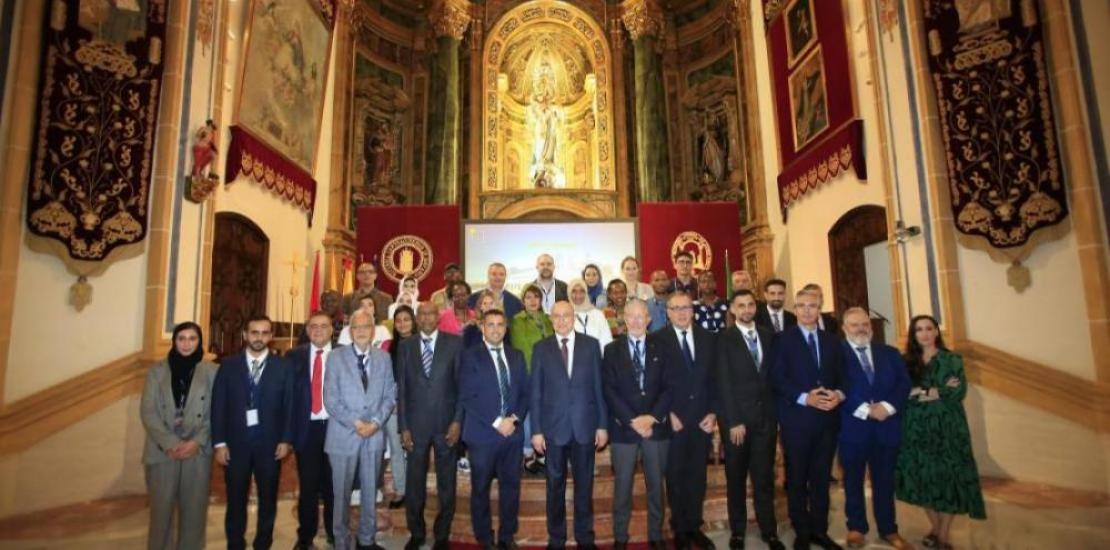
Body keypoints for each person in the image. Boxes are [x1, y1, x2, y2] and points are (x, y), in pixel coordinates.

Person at [896, 315, 985, 550]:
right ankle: (934, 528)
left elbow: (957, 392)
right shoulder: (905, 362)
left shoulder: (952, 359)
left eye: (929, 328)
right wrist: (936, 390)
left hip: (948, 427)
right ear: (913, 335)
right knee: (924, 478)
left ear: (936, 331)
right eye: (918, 330)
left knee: (948, 479)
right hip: (916, 428)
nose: (924, 333)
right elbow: (903, 393)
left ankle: (943, 535)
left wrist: (921, 392)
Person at [770, 290, 846, 550]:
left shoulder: (832, 341)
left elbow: (844, 376)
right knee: (798, 478)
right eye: (800, 306)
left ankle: (820, 531)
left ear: (820, 308)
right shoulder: (782, 340)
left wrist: (838, 394)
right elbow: (777, 378)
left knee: (822, 478)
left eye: (811, 306)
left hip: (827, 422)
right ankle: (802, 531)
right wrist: (804, 398)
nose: (805, 311)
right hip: (797, 421)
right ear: (794, 308)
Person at [212, 315, 295, 550]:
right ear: (245, 335)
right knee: (235, 500)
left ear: (270, 336)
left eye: (264, 333)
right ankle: (235, 543)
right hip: (235, 445)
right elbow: (218, 405)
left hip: (270, 445)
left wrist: (286, 439)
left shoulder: (284, 366)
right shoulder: (228, 365)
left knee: (268, 499)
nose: (259, 337)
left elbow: (289, 405)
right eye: (254, 332)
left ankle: (263, 543)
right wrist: (219, 443)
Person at [530, 301, 608, 549]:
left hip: (585, 427)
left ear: (574, 317)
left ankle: (585, 537)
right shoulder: (541, 348)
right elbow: (536, 393)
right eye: (557, 316)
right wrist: (536, 431)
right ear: (551, 319)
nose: (562, 320)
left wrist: (602, 425)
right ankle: (557, 538)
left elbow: (599, 388)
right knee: (555, 486)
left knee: (585, 485)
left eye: (566, 315)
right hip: (553, 430)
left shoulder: (591, 345)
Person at [714, 290, 784, 550]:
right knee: (736, 479)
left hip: (766, 421)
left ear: (756, 307)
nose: (746, 309)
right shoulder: (723, 339)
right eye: (740, 305)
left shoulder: (769, 336)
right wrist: (732, 420)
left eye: (750, 305)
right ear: (732, 309)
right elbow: (722, 382)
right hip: (737, 424)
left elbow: (774, 378)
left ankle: (769, 531)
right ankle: (738, 532)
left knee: (764, 478)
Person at [838, 308, 913, 550]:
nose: (860, 329)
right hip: (853, 428)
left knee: (884, 481)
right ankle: (856, 528)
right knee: (853, 481)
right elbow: (833, 385)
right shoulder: (835, 354)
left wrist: (888, 407)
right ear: (844, 328)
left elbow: (904, 384)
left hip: (886, 427)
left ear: (870, 326)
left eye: (864, 324)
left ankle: (889, 529)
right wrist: (864, 409)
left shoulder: (889, 353)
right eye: (854, 325)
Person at [140, 321, 218, 550]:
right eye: (181, 338)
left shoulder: (213, 371)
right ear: (174, 341)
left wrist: (197, 441)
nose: (186, 343)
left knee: (194, 512)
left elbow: (216, 411)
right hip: (162, 451)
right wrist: (171, 443)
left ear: (200, 342)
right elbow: (148, 411)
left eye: (192, 338)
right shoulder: (156, 371)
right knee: (161, 514)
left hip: (197, 451)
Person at [324, 309, 397, 550]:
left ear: (373, 330)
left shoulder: (384, 358)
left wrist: (375, 423)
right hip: (344, 434)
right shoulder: (336, 357)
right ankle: (342, 542)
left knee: (369, 493)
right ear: (350, 331)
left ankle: (367, 540)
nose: (362, 331)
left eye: (367, 326)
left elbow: (389, 396)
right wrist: (357, 423)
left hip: (374, 435)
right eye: (357, 327)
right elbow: (331, 399)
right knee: (341, 494)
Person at [602, 300, 671, 550]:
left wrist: (652, 418)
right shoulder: (611, 350)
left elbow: (668, 387)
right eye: (630, 316)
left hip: (656, 428)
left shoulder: (662, 347)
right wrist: (632, 420)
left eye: (640, 316)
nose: (635, 321)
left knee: (656, 485)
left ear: (649, 319)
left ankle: (656, 534)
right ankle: (620, 536)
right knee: (622, 486)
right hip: (624, 429)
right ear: (623, 319)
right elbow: (609, 390)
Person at [652, 292, 718, 550]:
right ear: (667, 312)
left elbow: (717, 379)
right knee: (676, 475)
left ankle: (694, 526)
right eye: (675, 308)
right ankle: (679, 528)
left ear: (693, 310)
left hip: (703, 419)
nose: (681, 313)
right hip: (674, 420)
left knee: (698, 476)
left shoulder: (709, 339)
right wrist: (667, 413)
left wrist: (713, 412)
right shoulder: (657, 340)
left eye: (686, 308)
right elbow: (654, 382)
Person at [459, 309, 530, 550]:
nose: (496, 329)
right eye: (490, 324)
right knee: (480, 488)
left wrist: (514, 419)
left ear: (506, 327)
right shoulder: (469, 356)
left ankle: (506, 536)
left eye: (500, 324)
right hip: (482, 434)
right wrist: (497, 421)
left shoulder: (517, 355)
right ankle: (485, 537)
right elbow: (468, 396)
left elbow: (524, 393)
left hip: (512, 433)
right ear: (481, 327)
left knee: (511, 488)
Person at [397, 302, 464, 550]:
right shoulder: (405, 346)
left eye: (431, 313)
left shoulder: (454, 343)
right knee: (414, 484)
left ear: (438, 317)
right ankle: (416, 532)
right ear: (417, 318)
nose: (426, 317)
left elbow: (461, 387)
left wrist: (458, 421)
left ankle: (442, 534)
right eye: (422, 313)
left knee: (447, 483)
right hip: (415, 427)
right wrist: (402, 426)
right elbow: (401, 390)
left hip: (447, 425)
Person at [288, 312, 338, 549]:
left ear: (331, 330)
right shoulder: (293, 356)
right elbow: (287, 398)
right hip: (306, 430)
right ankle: (305, 537)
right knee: (308, 487)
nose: (318, 330)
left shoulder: (343, 355)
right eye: (314, 326)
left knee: (333, 486)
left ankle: (334, 532)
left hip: (335, 429)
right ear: (307, 331)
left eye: (324, 326)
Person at [509, 284, 555, 473]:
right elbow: (523, 347)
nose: (533, 300)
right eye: (528, 297)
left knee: (545, 413)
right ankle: (528, 453)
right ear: (523, 300)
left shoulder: (548, 319)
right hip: (529, 373)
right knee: (528, 414)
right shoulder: (517, 320)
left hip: (550, 374)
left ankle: (543, 451)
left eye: (536, 297)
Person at [382, 306, 417, 510]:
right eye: (398, 320)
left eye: (406, 319)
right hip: (394, 405)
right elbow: (385, 377)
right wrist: (392, 402)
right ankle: (402, 490)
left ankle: (415, 489)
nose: (402, 323)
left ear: (413, 321)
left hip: (417, 405)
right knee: (397, 449)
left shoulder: (422, 343)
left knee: (415, 450)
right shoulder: (388, 346)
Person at [569, 278, 614, 352]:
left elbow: (607, 340)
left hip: (597, 359)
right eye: (574, 291)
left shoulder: (597, 314)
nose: (578, 295)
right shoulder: (565, 314)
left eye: (582, 291)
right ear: (569, 293)